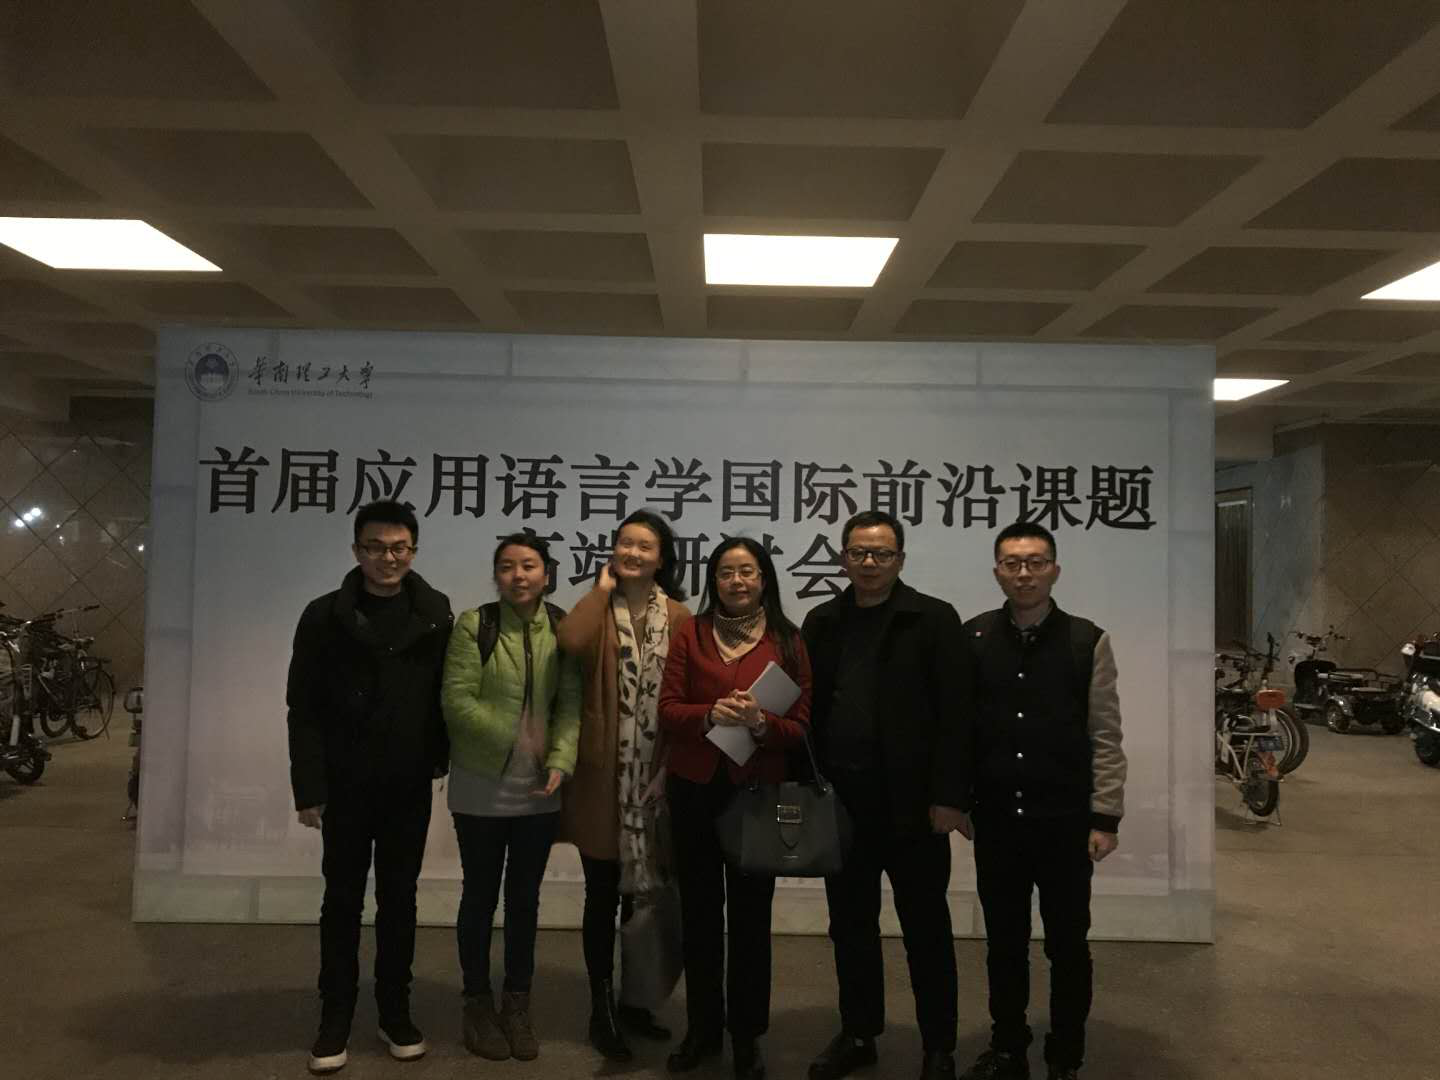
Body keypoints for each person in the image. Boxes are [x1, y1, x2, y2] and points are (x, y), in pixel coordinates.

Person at [801, 509, 972, 1080]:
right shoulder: (823, 622)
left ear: (900, 559)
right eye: (858, 552)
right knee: (850, 927)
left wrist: (951, 796)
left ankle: (938, 1046)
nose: (869, 562)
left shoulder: (933, 619)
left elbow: (957, 715)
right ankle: (859, 1033)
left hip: (915, 806)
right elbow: (805, 710)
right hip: (842, 805)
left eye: (881, 553)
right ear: (842, 558)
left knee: (926, 928)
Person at [286, 500, 453, 1076]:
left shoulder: (435, 613)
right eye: (376, 547)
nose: (388, 557)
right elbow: (302, 708)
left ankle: (394, 1011)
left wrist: (439, 758)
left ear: (413, 551)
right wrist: (309, 786)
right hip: (345, 783)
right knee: (341, 901)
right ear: (356, 551)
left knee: (400, 900)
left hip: (406, 783)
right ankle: (334, 1016)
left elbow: (445, 694)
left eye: (399, 547)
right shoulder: (323, 616)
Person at [958, 522, 1126, 1080]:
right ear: (997, 572)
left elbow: (1105, 734)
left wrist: (1105, 816)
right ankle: (1008, 1047)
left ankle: (1065, 1055)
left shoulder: (1086, 640)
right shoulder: (974, 637)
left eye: (1035, 562)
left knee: (1067, 946)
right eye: (1012, 563)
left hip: (1065, 824)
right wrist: (960, 801)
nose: (1024, 573)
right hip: (998, 821)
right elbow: (960, 730)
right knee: (1004, 944)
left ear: (1055, 570)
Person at [657, 537, 813, 1079]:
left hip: (756, 794)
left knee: (750, 921)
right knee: (699, 916)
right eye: (726, 572)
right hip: (695, 790)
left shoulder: (789, 640)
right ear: (714, 580)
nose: (737, 581)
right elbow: (668, 709)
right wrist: (710, 714)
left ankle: (747, 1036)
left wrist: (761, 724)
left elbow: (800, 727)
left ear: (764, 579)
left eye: (747, 571)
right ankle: (702, 1029)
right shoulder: (692, 632)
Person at [556, 509, 694, 1063]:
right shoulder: (598, 608)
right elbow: (570, 641)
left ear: (662, 559)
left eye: (645, 546)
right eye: (625, 543)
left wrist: (668, 768)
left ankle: (636, 1001)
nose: (633, 553)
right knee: (601, 897)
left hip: (655, 781)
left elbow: (687, 693)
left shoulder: (679, 617)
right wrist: (599, 591)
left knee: (646, 900)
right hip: (602, 781)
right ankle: (601, 1009)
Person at [440, 533, 582, 1062]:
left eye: (529, 565)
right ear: (496, 575)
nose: (518, 575)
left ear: (547, 573)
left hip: (539, 789)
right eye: (507, 566)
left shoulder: (564, 627)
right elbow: (456, 700)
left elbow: (571, 703)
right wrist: (516, 737)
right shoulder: (474, 625)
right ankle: (476, 1004)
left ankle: (517, 1004)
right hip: (480, 784)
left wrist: (560, 758)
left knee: (524, 900)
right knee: (479, 896)